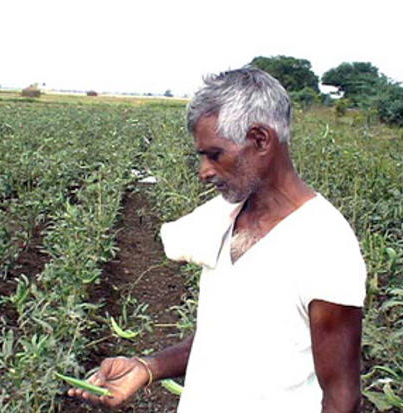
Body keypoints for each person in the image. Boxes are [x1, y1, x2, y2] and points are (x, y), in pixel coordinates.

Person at [69, 67, 366, 412]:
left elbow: (342, 398)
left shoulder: (325, 247)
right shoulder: (226, 217)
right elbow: (225, 337)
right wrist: (148, 367)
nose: (205, 172)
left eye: (215, 154)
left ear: (260, 140)